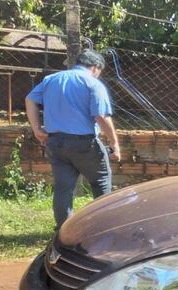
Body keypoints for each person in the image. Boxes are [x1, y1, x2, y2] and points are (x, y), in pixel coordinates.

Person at [24, 49, 120, 229]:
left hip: (55, 143)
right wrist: (114, 143)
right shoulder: (93, 83)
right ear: (95, 68)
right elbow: (100, 116)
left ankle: (64, 230)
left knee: (63, 188)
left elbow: (30, 99)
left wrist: (36, 128)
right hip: (84, 144)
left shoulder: (51, 80)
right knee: (101, 182)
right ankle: (103, 228)